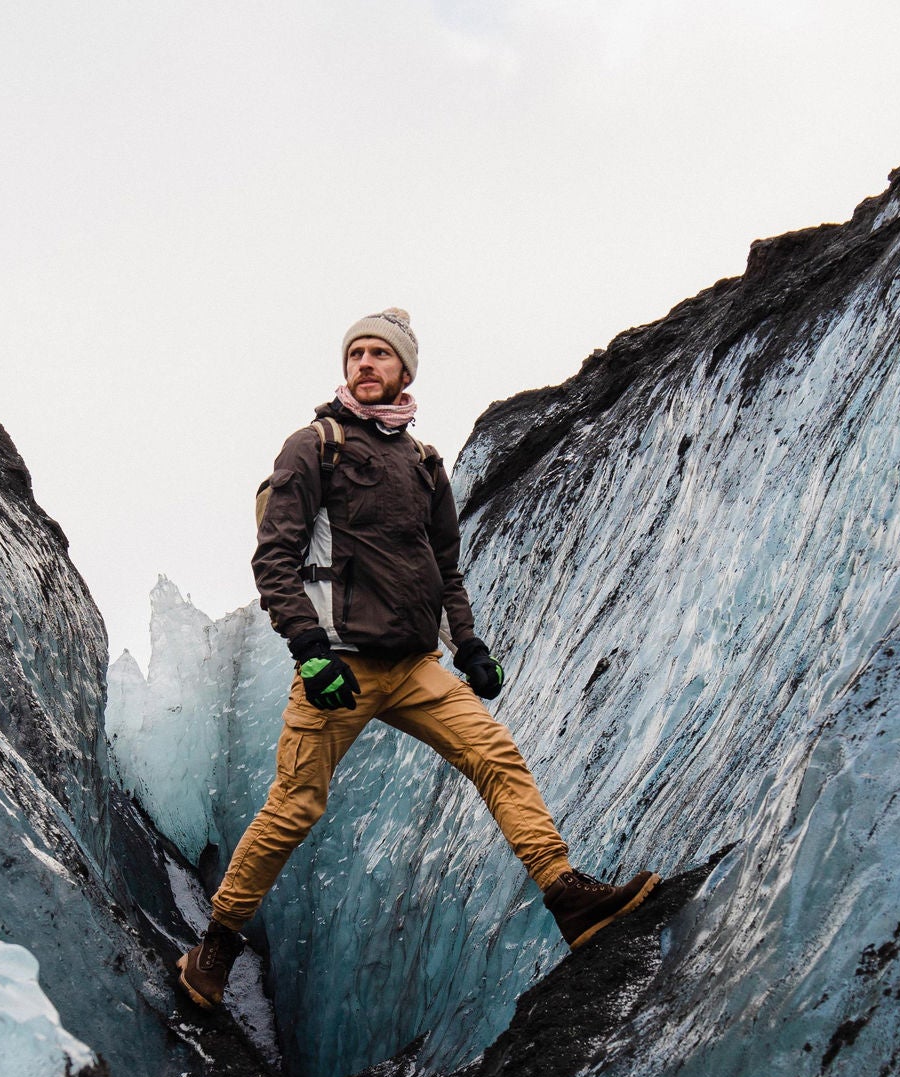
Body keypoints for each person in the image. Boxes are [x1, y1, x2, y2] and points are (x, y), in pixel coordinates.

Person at [177, 308, 657, 1010]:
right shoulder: (315, 445)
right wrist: (309, 651)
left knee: (495, 757)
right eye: (356, 354)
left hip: (413, 667)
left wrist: (468, 643)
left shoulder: (425, 463)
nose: (365, 364)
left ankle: (567, 895)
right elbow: (273, 558)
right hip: (337, 664)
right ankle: (215, 948)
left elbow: (444, 568)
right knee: (295, 805)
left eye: (380, 355)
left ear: (405, 371)